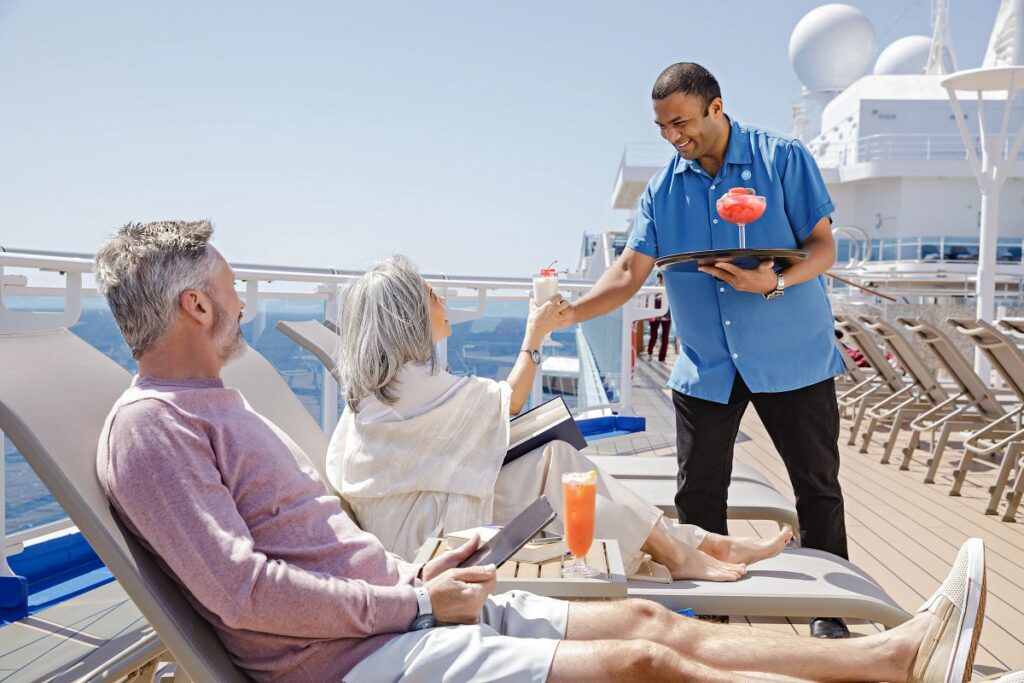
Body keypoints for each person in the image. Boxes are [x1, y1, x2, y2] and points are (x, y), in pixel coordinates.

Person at [94, 220, 987, 683]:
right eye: (229, 286)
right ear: (195, 310)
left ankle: (894, 659)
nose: (242, 295)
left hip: (399, 609)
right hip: (362, 656)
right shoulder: (151, 428)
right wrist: (404, 602)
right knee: (646, 667)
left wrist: (414, 584)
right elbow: (243, 592)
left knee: (654, 624)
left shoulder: (214, 404)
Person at [554, 62, 853, 638]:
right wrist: (572, 312)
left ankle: (831, 609)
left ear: (716, 107)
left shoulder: (782, 158)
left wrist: (773, 283)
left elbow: (821, 249)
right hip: (705, 366)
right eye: (663, 126)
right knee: (697, 491)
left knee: (816, 485)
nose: (673, 137)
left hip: (792, 355)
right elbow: (628, 271)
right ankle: (707, 611)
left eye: (682, 122)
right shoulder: (663, 188)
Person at [324, 255, 791, 582]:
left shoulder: (386, 381)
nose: (442, 300)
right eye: (431, 295)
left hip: (416, 509)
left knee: (554, 459)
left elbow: (484, 419)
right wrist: (536, 333)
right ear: (409, 316)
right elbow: (506, 403)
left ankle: (694, 544)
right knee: (557, 462)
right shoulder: (407, 382)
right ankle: (682, 550)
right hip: (422, 535)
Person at [647, 271, 672, 362]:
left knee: (665, 337)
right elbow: (649, 301)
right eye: (660, 277)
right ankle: (649, 352)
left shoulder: (669, 288)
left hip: (666, 316)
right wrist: (657, 298)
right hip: (655, 316)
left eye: (662, 277)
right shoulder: (654, 289)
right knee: (653, 336)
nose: (661, 279)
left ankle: (662, 358)